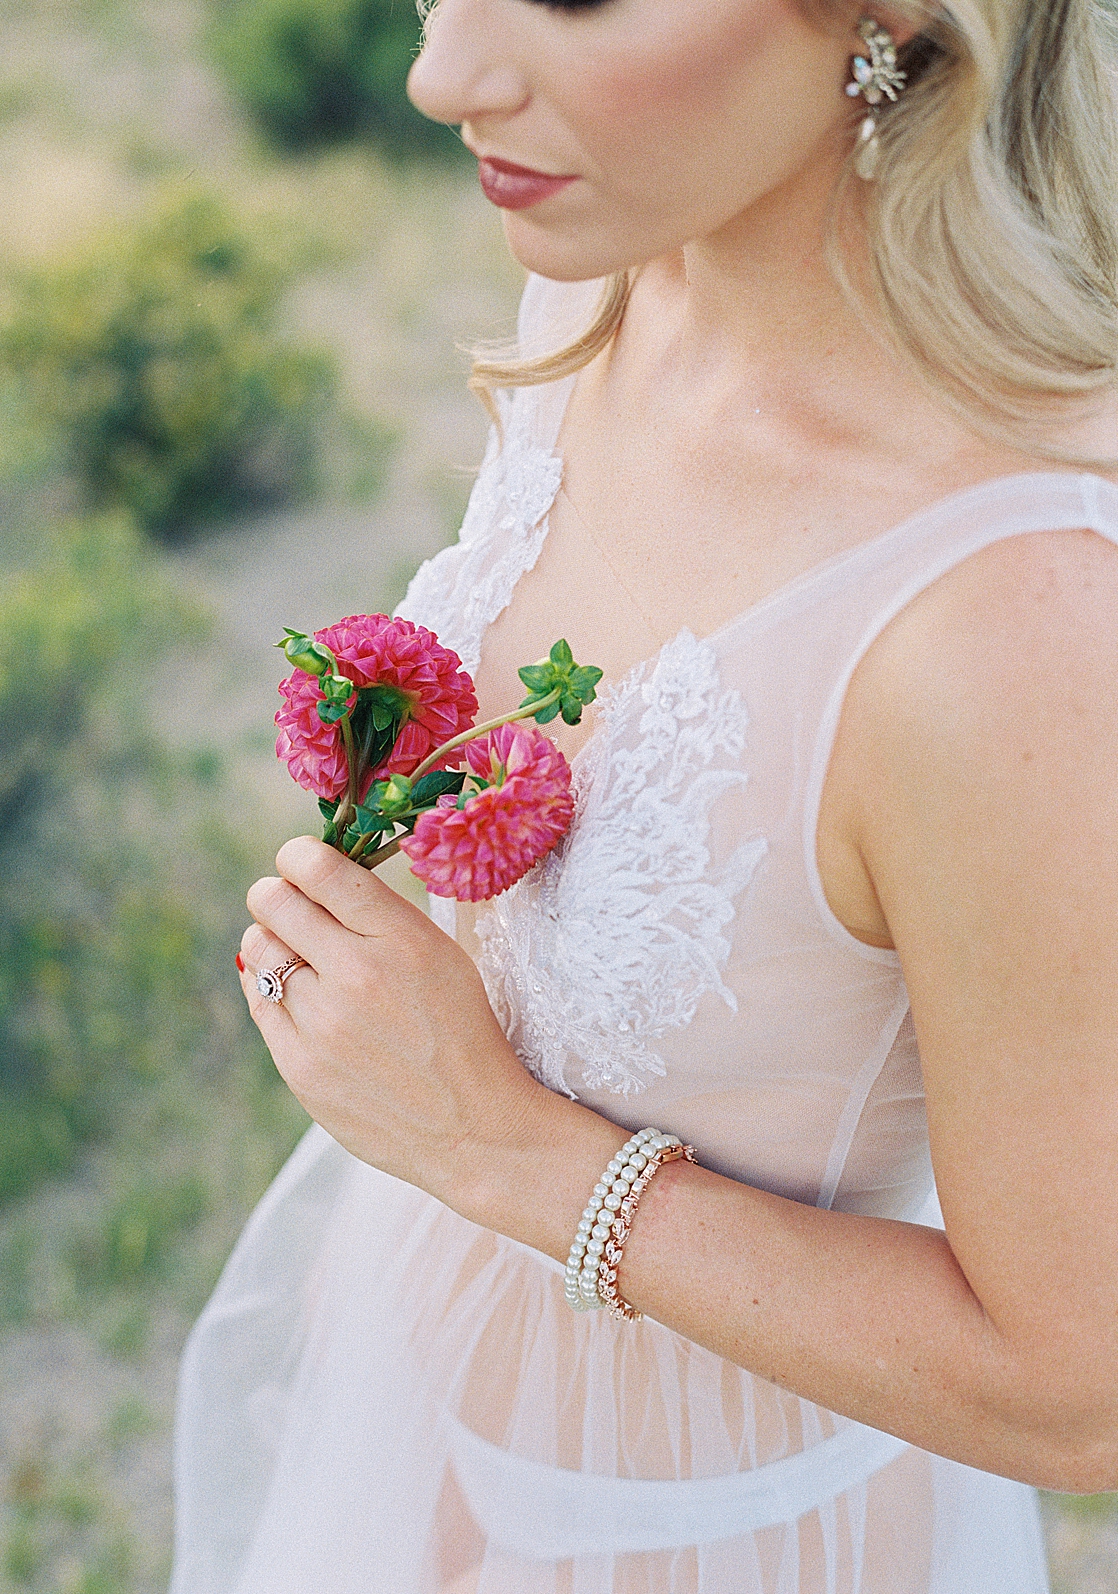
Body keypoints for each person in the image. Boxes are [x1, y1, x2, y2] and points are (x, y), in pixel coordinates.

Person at [169, 2, 1118, 1590]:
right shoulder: (604, 269)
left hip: (711, 1539)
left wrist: (499, 1149)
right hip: (409, 1425)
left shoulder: (1010, 629)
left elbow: (1079, 1387)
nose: (437, 74)